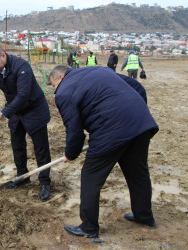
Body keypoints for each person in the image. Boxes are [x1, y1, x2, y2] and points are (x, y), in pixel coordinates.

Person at [47, 64, 158, 238]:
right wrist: (137, 112)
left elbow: (74, 130)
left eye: (54, 85)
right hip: (141, 123)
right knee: (138, 172)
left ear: (60, 77)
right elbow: (137, 87)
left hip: (110, 130)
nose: (56, 90)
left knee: (91, 176)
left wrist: (70, 153)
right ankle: (144, 216)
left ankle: (88, 228)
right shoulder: (99, 69)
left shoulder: (63, 91)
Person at [0, 44, 52, 201]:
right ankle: (22, 177)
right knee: (17, 146)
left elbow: (23, 95)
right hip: (16, 112)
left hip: (33, 109)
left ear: (3, 55)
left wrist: (3, 113)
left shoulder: (22, 67)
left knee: (41, 148)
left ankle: (45, 182)